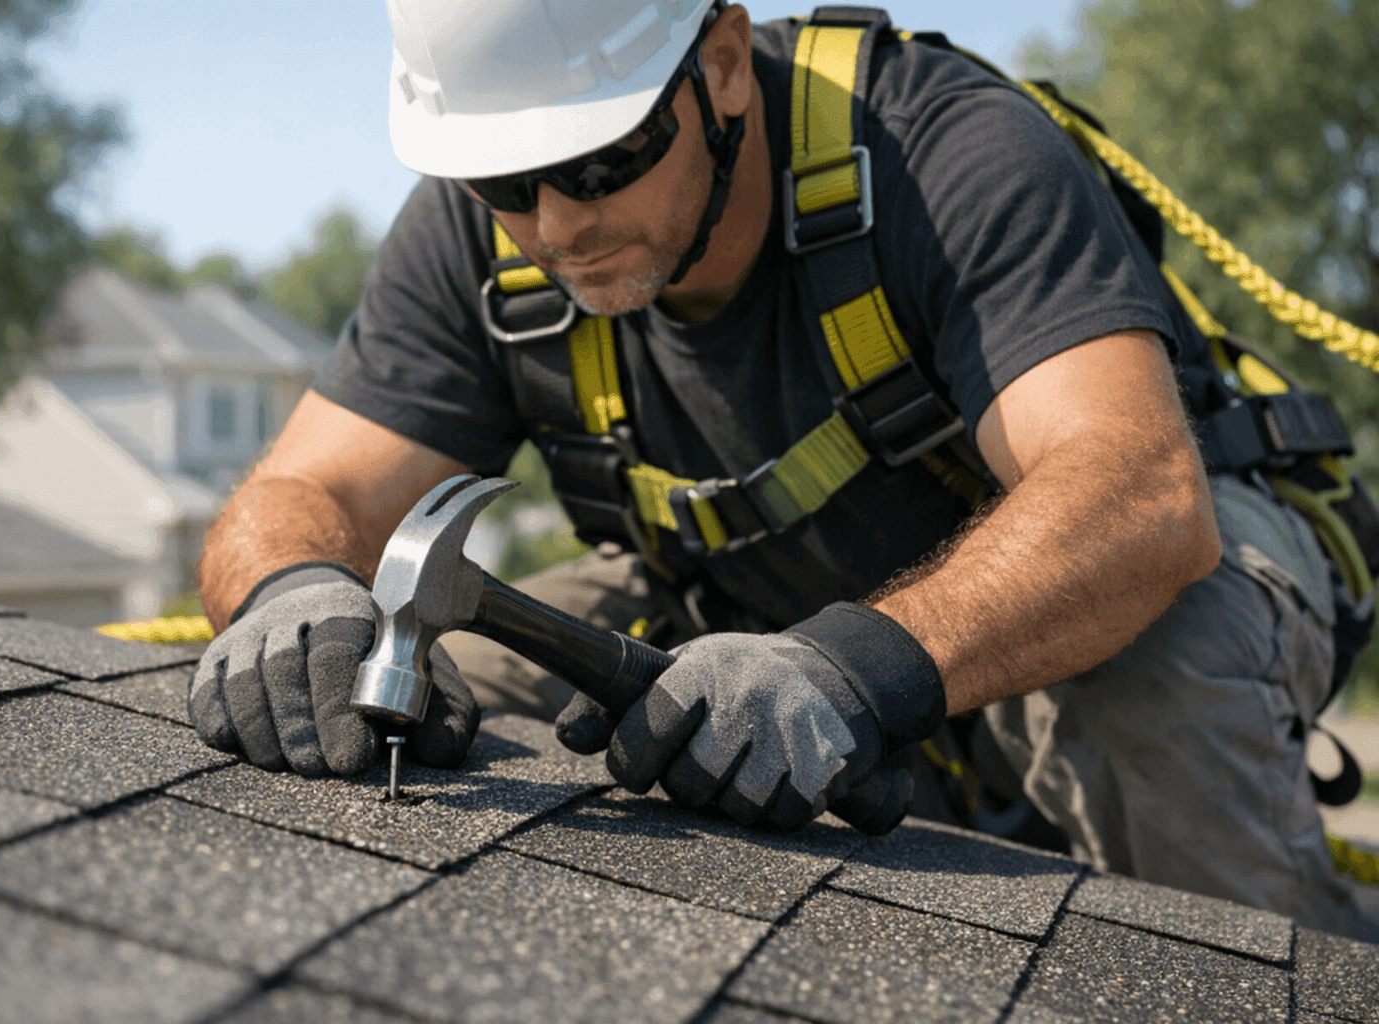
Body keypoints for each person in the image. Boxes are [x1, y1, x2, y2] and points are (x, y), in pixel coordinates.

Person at [188, 1, 1377, 939]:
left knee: (1154, 675)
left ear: (718, 63)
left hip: (1130, 587)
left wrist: (847, 670)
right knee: (432, 678)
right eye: (504, 184)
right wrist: (289, 594)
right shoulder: (477, 239)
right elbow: (308, 493)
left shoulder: (941, 150)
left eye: (601, 161)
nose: (554, 226)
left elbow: (1139, 499)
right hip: (760, 626)